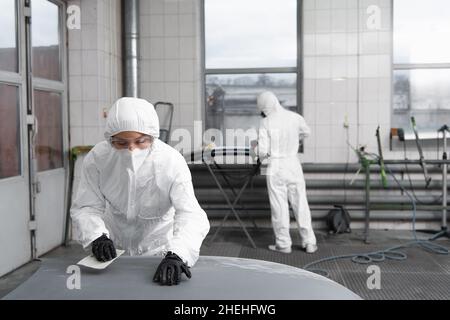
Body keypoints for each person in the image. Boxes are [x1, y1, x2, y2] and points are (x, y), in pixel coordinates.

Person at [70, 97, 210, 285]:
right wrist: (96, 236)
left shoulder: (171, 162)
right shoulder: (98, 159)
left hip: (159, 252)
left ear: (153, 136)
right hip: (113, 251)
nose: (131, 150)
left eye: (141, 141)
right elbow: (86, 206)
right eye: (121, 143)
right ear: (110, 138)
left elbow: (191, 215)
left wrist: (178, 254)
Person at [254, 91, 317, 254]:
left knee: (279, 207)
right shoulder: (295, 117)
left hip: (276, 166)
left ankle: (283, 244)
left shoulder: (265, 122)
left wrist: (256, 149)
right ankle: (309, 242)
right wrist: (293, 140)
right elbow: (306, 132)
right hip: (293, 163)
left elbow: (262, 151)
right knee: (301, 203)